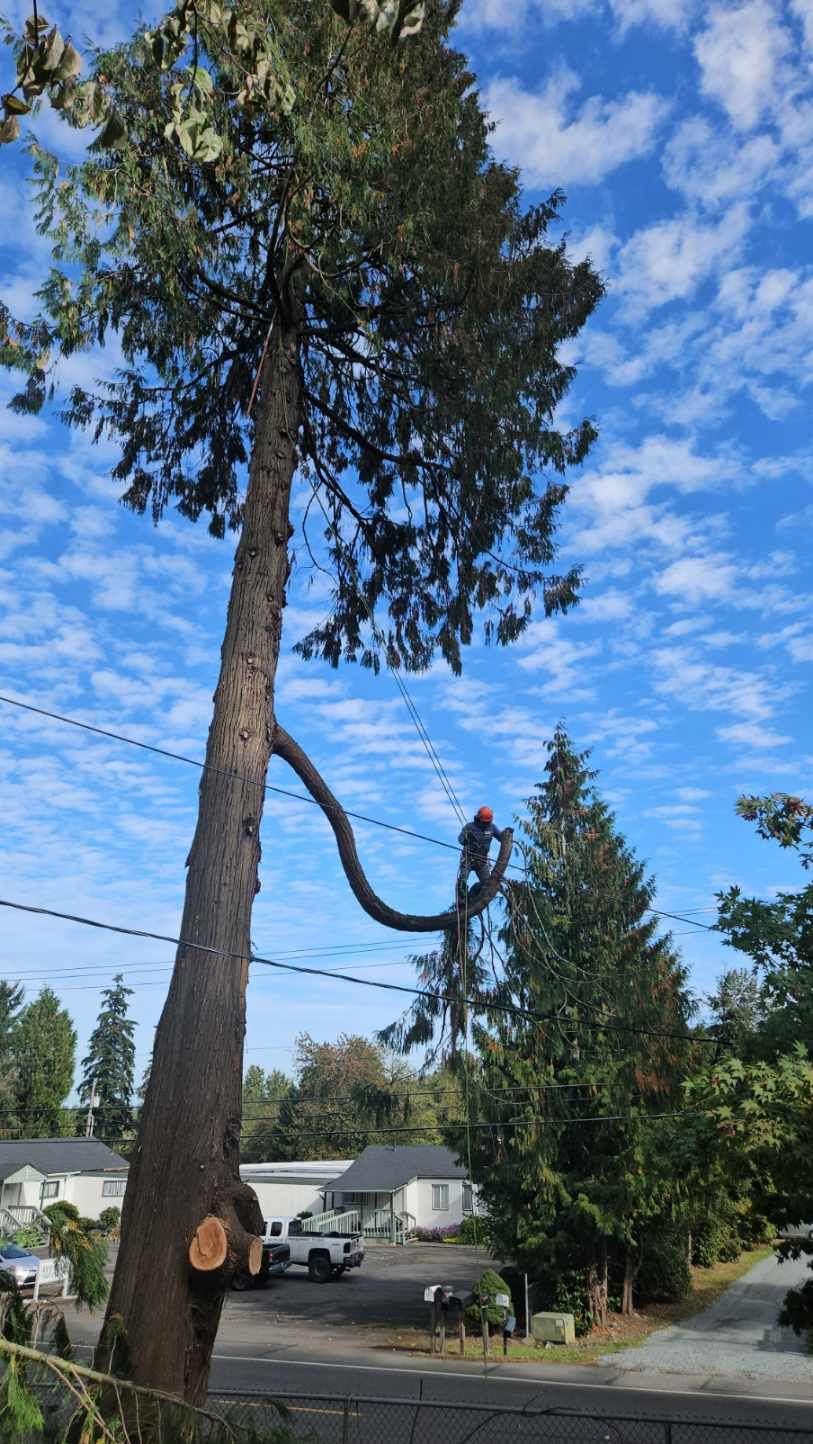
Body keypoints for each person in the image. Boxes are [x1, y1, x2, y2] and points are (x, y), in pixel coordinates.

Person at [457, 806, 505, 895]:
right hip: (468, 859)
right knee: (462, 880)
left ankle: (474, 891)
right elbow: (460, 839)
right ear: (479, 819)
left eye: (488, 822)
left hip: (482, 861)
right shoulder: (469, 827)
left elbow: (501, 837)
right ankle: (462, 900)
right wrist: (466, 839)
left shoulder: (492, 828)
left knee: (487, 884)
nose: (486, 824)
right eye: (484, 822)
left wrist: (506, 834)